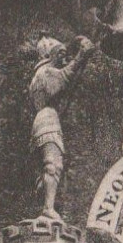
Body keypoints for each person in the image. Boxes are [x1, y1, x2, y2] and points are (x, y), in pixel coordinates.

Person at [29, 35, 95, 219]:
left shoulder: (39, 76)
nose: (64, 60)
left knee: (47, 169)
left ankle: (46, 205)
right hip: (48, 120)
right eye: (61, 55)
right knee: (53, 165)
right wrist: (81, 55)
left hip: (45, 119)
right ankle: (48, 208)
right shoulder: (46, 73)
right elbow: (62, 79)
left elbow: (65, 82)